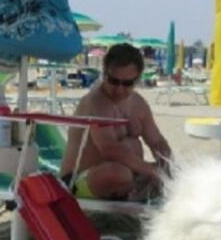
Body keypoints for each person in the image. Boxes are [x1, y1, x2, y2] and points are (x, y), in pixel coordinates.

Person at [59, 43, 173, 201]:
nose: (119, 89)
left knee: (151, 165)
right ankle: (139, 189)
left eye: (127, 83)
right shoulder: (95, 102)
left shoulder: (138, 104)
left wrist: (166, 166)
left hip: (126, 174)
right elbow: (110, 149)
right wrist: (152, 171)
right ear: (104, 73)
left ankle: (137, 189)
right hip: (78, 179)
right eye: (113, 81)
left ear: (137, 79)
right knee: (118, 174)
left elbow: (157, 141)